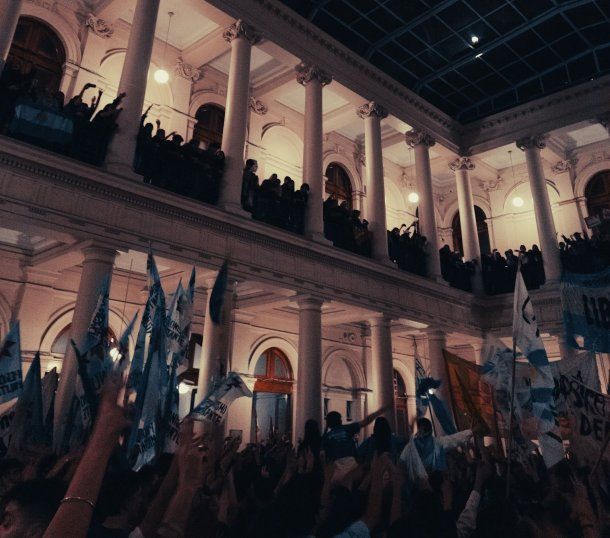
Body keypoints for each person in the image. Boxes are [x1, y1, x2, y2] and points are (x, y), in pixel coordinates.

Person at [322, 404, 391, 484]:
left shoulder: (326, 437)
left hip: (337, 471)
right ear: (340, 421)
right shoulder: (347, 429)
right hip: (352, 468)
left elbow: (325, 456)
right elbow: (366, 421)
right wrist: (379, 412)